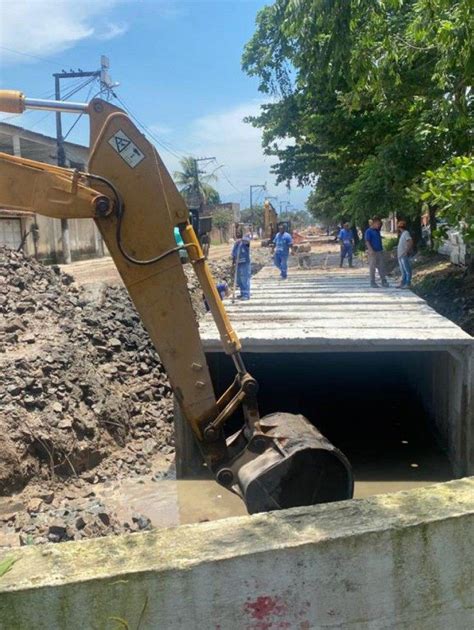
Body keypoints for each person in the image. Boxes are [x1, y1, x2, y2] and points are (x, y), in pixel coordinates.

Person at [364, 216, 389, 288]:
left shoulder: (377, 231)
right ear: (374, 223)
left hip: (379, 251)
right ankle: (372, 282)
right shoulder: (368, 231)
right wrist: (371, 250)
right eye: (378, 224)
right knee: (372, 267)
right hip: (373, 252)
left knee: (381, 266)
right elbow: (367, 241)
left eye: (379, 224)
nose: (379, 225)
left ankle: (383, 281)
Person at [231, 231, 251, 299]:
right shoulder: (236, 244)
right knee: (239, 280)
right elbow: (233, 254)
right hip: (238, 264)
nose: (238, 236)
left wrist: (243, 239)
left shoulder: (245, 243)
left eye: (239, 235)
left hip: (245, 264)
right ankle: (242, 293)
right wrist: (233, 263)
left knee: (244, 279)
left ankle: (246, 295)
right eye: (237, 235)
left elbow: (248, 242)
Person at [396, 220, 413, 289]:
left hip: (403, 255)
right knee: (403, 270)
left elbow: (410, 241)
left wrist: (406, 251)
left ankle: (408, 283)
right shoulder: (403, 234)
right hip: (400, 255)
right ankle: (403, 283)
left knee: (407, 270)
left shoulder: (406, 233)